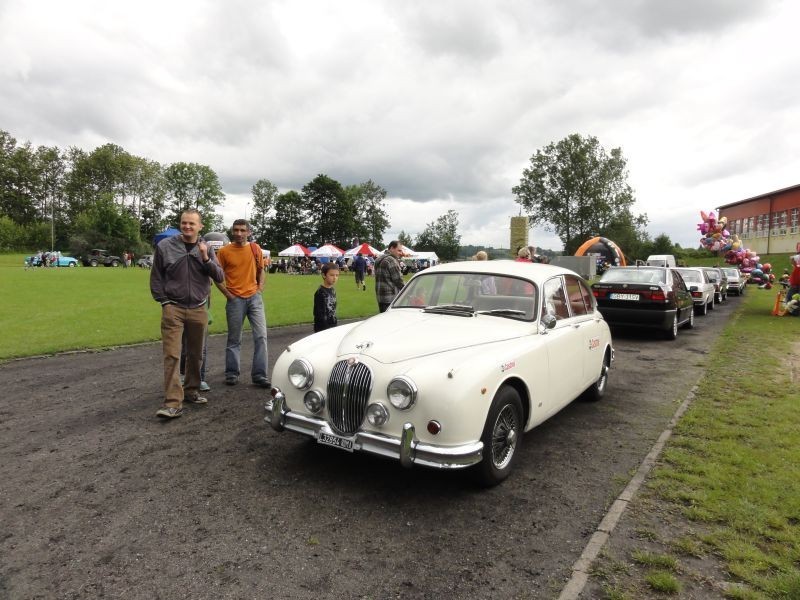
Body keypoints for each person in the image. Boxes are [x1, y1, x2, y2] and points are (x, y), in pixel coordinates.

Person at [150, 209, 224, 419]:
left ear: (200, 226)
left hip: (199, 308)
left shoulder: (206, 248)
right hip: (173, 307)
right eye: (184, 223)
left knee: (195, 354)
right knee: (172, 355)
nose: (187, 227)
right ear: (180, 224)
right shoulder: (165, 246)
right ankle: (173, 402)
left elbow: (219, 275)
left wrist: (205, 258)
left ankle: (191, 391)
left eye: (192, 223)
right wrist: (164, 303)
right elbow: (156, 278)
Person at [215, 219, 270, 388]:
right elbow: (216, 275)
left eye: (242, 230)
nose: (239, 233)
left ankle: (259, 375)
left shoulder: (255, 249)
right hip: (235, 299)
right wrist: (227, 293)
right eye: (236, 230)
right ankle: (232, 373)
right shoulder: (224, 252)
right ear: (232, 231)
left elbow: (261, 270)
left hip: (254, 298)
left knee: (261, 336)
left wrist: (259, 289)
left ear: (249, 232)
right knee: (234, 338)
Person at [375, 240, 405, 313]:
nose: (401, 253)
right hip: (390, 298)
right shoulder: (391, 260)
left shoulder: (378, 259)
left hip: (380, 296)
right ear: (392, 248)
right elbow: (399, 281)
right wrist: (408, 290)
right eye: (399, 250)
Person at [313, 263, 339, 332]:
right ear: (324, 275)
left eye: (337, 275)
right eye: (332, 275)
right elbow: (319, 315)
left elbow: (333, 309)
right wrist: (326, 330)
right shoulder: (320, 293)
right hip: (323, 330)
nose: (335, 278)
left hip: (333, 326)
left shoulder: (333, 290)